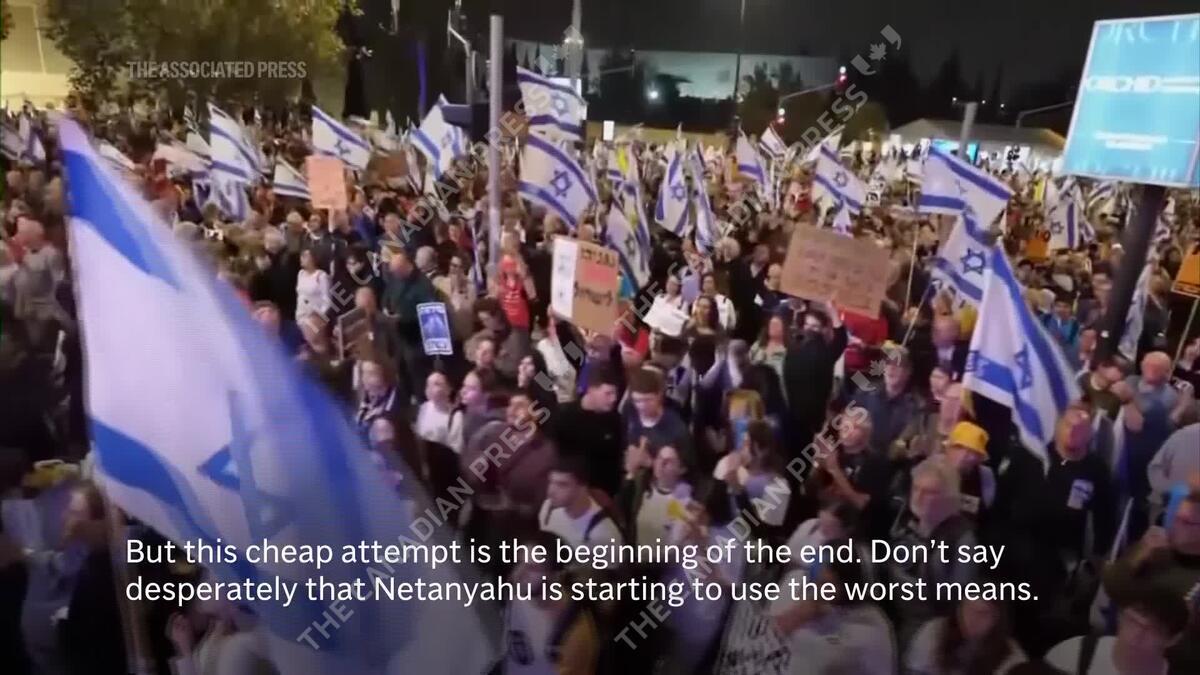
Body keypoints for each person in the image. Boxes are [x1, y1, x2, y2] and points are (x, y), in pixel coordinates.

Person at [1102, 488, 1200, 672]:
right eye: (1177, 519)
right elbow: (1113, 587)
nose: (1178, 527)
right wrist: (1140, 553)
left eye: (1189, 523)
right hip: (1121, 651)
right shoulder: (1155, 550)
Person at [889, 454, 980, 645]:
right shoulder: (905, 521)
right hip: (895, 619)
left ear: (949, 497)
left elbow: (957, 607)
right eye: (916, 489)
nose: (919, 497)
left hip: (929, 634)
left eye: (930, 492)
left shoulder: (961, 540)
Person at [770, 548, 897, 674]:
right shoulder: (829, 608)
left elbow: (812, 661)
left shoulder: (865, 629)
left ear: (846, 585)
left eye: (824, 584)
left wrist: (799, 615)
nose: (815, 591)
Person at [504, 532, 600, 675]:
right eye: (519, 562)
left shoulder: (574, 635)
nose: (517, 574)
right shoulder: (519, 592)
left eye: (532, 568)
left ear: (556, 576)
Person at [1043, 594, 1188, 675]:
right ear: (1120, 616)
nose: (1136, 636)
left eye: (1153, 630)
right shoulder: (1072, 654)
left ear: (1173, 639)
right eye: (1132, 621)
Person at [551, 363, 624, 496]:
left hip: (605, 494)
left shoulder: (616, 420)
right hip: (570, 491)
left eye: (615, 393)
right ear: (591, 390)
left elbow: (617, 462)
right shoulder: (564, 416)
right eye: (608, 393)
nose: (614, 399)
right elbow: (556, 457)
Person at [904, 597, 1026, 675]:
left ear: (997, 620)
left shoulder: (1012, 657)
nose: (971, 619)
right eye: (967, 609)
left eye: (982, 613)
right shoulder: (934, 631)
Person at [538, 458, 624, 547]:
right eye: (551, 482)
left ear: (583, 487)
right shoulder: (548, 509)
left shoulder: (604, 535)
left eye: (562, 485)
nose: (551, 491)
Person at [852, 345, 922, 451]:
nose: (891, 368)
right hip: (861, 453)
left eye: (897, 365)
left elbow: (907, 441)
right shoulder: (865, 392)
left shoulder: (915, 405)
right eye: (888, 363)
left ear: (908, 372)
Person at [414, 370, 463, 452]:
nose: (430, 388)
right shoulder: (424, 407)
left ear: (448, 389)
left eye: (436, 384)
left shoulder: (455, 416)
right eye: (428, 384)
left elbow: (456, 448)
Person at [294, 247, 330, 329]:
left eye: (305, 256)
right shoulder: (301, 274)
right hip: (300, 315)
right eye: (301, 256)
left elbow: (327, 300)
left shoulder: (321, 276)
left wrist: (320, 316)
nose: (301, 258)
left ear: (314, 259)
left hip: (314, 318)